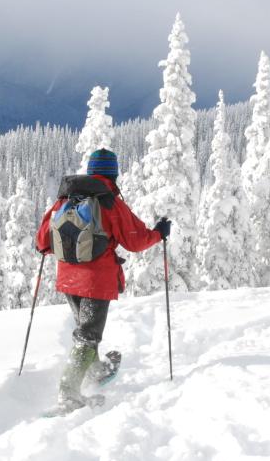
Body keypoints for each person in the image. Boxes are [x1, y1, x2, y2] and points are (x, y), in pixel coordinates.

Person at [36, 148, 170, 409]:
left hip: (68, 279)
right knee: (88, 334)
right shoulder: (109, 201)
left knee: (85, 329)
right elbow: (134, 240)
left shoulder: (65, 199)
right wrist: (159, 233)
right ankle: (68, 393)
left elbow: (42, 241)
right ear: (114, 173)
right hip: (96, 281)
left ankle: (95, 369)